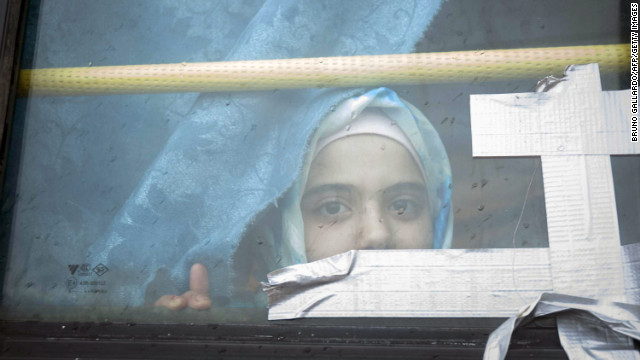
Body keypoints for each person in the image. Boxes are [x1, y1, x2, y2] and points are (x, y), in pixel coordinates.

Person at [154, 87, 453, 310]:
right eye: (333, 207)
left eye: (403, 205)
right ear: (282, 230)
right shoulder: (247, 338)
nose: (377, 235)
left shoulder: (480, 332)